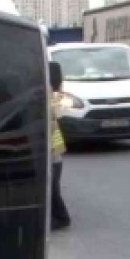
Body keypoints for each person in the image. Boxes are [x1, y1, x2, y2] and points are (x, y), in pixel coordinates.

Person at [50, 83, 71, 230]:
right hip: (53, 153)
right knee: (51, 188)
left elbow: (60, 111)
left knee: (52, 188)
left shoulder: (51, 103)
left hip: (53, 155)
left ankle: (62, 218)